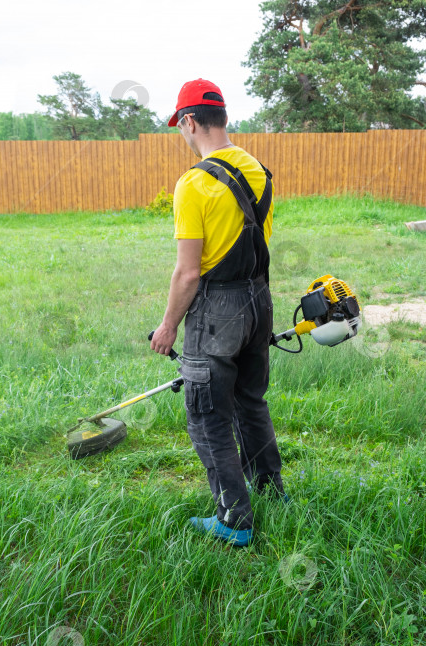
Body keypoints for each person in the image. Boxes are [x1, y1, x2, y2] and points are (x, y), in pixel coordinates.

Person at [150, 78, 287, 547]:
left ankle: (234, 520)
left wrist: (168, 326)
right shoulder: (258, 169)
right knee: (250, 402)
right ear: (222, 117)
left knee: (207, 414)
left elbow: (188, 274)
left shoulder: (194, 182)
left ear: (190, 121)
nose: (182, 136)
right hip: (259, 300)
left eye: (180, 127)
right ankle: (272, 490)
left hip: (218, 310)